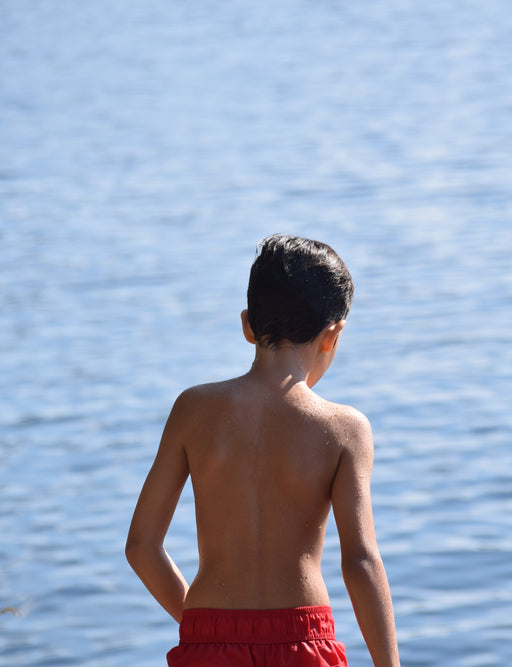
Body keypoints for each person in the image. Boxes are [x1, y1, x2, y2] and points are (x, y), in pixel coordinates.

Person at [126, 234, 400, 667]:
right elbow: (361, 563)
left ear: (247, 324)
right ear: (332, 335)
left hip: (207, 640)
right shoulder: (346, 429)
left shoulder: (193, 409)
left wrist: (200, 627)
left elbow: (141, 546)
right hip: (302, 642)